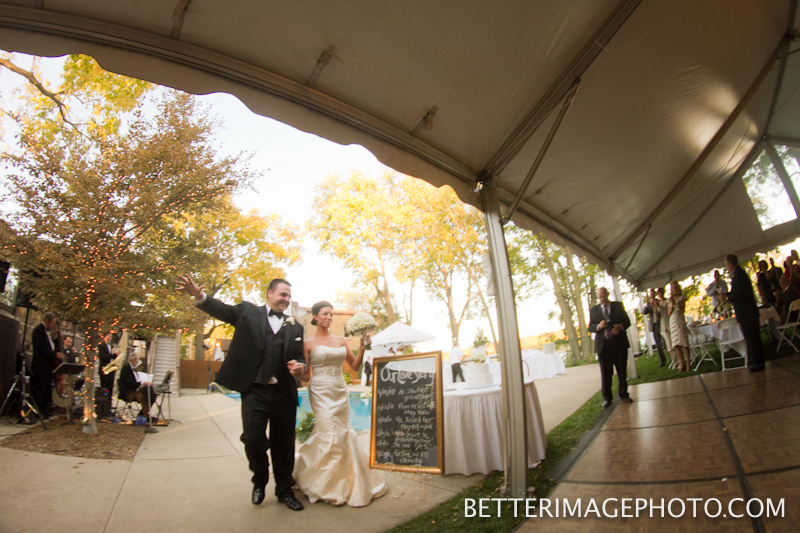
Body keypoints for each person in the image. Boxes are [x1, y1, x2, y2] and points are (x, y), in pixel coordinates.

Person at [176, 275, 306, 510]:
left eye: (289, 296)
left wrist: (301, 366)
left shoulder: (295, 326)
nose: (286, 299)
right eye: (283, 294)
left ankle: (285, 490)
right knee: (253, 438)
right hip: (254, 390)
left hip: (283, 393)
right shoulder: (247, 312)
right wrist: (199, 295)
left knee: (284, 444)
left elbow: (299, 356)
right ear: (270, 293)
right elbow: (222, 310)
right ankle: (259, 480)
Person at [293, 301, 386, 507]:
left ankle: (344, 481)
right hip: (320, 390)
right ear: (315, 316)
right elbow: (307, 377)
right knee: (329, 434)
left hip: (339, 390)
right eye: (325, 314)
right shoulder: (307, 344)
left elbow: (354, 365)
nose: (329, 317)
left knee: (343, 433)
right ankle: (326, 486)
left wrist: (362, 349)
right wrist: (298, 372)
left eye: (331, 314)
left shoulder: (341, 340)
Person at [588, 287, 632, 408]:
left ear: (607, 294)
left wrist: (620, 327)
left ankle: (624, 394)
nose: (602, 299)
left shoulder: (618, 306)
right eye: (600, 297)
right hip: (604, 346)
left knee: (622, 370)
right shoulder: (594, 310)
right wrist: (599, 326)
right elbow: (590, 327)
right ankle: (607, 398)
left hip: (619, 344)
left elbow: (627, 321)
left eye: (603, 296)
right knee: (606, 373)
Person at [721, 254, 765, 372]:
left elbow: (740, 293)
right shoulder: (738, 275)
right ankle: (755, 361)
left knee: (752, 339)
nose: (726, 267)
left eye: (726, 264)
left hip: (747, 313)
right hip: (746, 314)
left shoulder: (740, 275)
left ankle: (758, 362)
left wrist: (727, 296)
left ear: (730, 264)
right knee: (751, 339)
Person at [30, 311, 64, 418]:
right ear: (46, 321)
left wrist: (58, 338)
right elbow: (41, 348)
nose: (53, 325)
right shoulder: (38, 331)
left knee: (47, 389)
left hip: (48, 366)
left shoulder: (48, 332)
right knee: (40, 389)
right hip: (40, 366)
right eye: (52, 322)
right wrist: (55, 354)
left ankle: (45, 409)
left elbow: (51, 345)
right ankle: (38, 410)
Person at [118, 351, 158, 418]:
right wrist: (141, 383)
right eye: (136, 361)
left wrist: (144, 384)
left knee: (152, 395)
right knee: (144, 396)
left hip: (134, 389)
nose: (137, 363)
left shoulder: (133, 369)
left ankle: (142, 414)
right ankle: (144, 415)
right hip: (128, 392)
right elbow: (129, 383)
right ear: (131, 360)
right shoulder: (126, 368)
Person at [668, 281, 691, 372]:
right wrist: (671, 306)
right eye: (673, 288)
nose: (674, 289)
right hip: (672, 320)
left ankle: (688, 363)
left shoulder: (682, 298)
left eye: (675, 287)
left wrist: (675, 304)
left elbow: (682, 310)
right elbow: (668, 313)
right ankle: (682, 364)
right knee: (676, 344)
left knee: (684, 342)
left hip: (679, 319)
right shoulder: (670, 299)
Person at [642, 289, 667, 367]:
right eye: (651, 294)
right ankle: (662, 360)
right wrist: (646, 303)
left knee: (665, 342)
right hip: (654, 325)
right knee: (658, 344)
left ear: (655, 294)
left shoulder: (659, 301)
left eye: (653, 293)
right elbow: (644, 312)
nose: (652, 295)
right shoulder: (649, 304)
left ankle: (672, 357)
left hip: (660, 323)